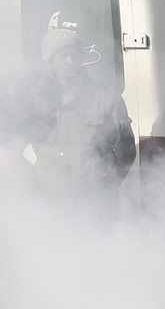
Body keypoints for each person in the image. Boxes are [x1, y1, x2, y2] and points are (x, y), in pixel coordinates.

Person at [20, 24, 136, 196]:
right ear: (51, 60)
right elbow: (16, 146)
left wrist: (106, 184)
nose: (70, 61)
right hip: (48, 200)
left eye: (75, 55)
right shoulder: (35, 100)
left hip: (96, 200)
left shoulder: (106, 97)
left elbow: (126, 151)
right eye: (63, 56)